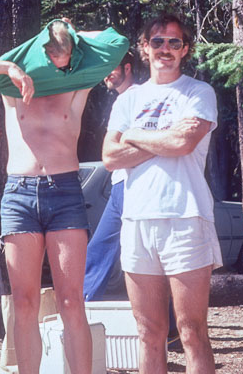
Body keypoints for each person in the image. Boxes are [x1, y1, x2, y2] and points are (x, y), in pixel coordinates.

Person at [0, 19, 128, 374]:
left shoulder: (79, 79)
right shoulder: (10, 82)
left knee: (71, 301)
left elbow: (117, 42)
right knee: (25, 302)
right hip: (19, 194)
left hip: (64, 192)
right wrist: (8, 66)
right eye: (53, 58)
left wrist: (72, 32)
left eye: (66, 57)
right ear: (41, 52)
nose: (58, 66)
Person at [102, 13, 222, 374]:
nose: (165, 49)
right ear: (144, 48)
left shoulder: (198, 92)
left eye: (174, 42)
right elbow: (109, 157)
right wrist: (164, 138)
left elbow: (184, 143)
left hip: (186, 218)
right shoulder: (127, 100)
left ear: (185, 49)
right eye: (157, 42)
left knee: (191, 331)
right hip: (137, 222)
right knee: (149, 332)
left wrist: (134, 135)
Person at [82, 50, 136, 301]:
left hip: (132, 185)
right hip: (120, 186)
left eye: (112, 68)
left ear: (127, 68)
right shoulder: (121, 100)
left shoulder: (136, 97)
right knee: (100, 248)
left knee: (138, 256)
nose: (107, 75)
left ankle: (170, 330)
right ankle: (81, 307)